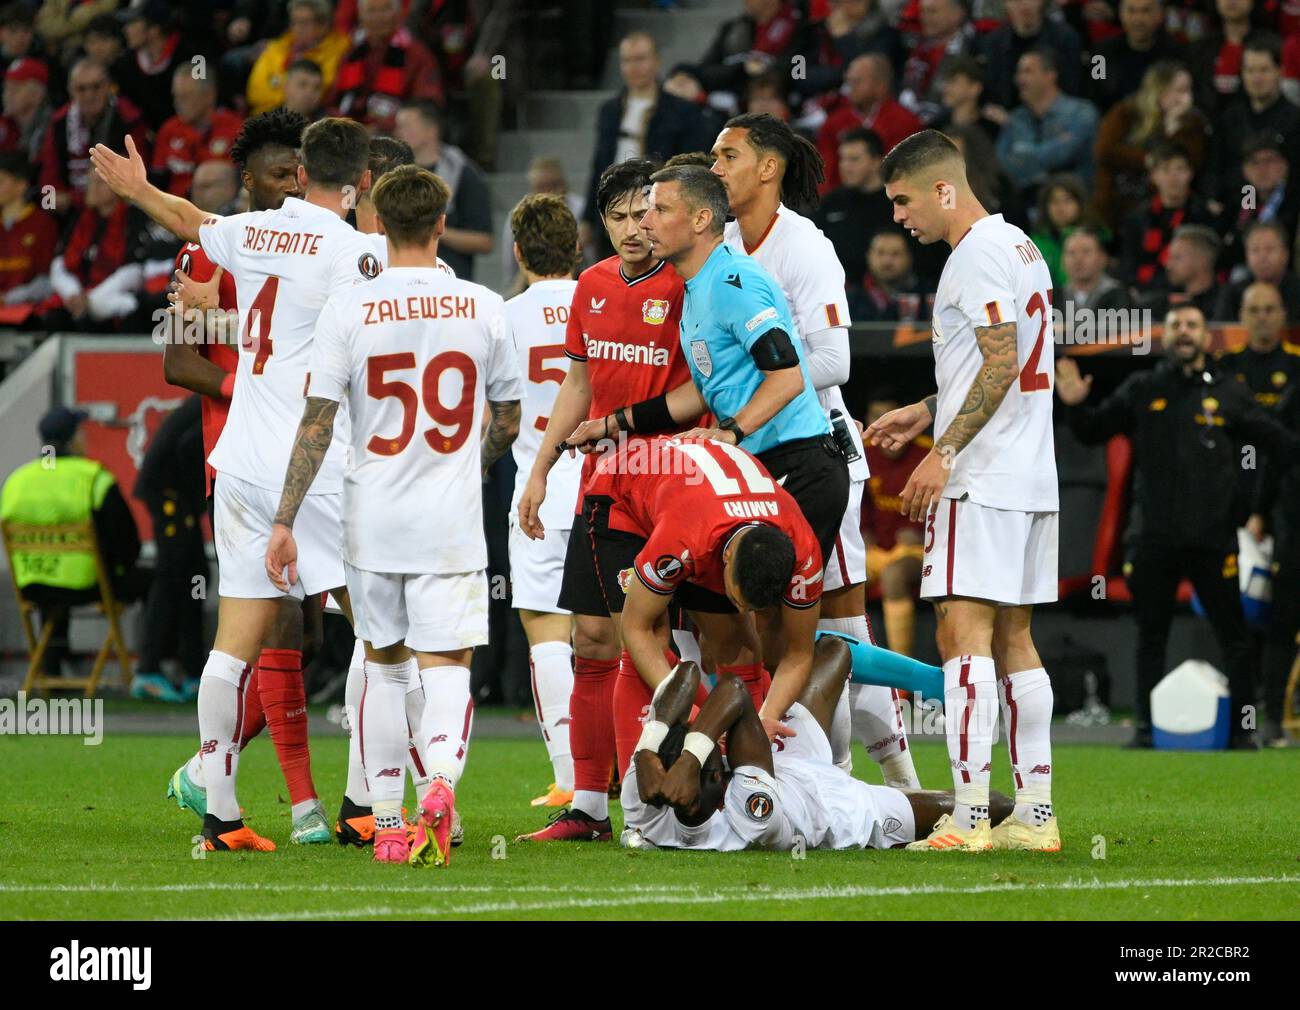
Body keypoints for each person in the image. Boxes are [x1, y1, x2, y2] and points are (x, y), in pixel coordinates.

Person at [91, 117, 383, 853]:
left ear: (299, 170)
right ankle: (364, 804)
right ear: (361, 184)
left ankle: (221, 817)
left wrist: (136, 188)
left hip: (239, 464)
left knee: (231, 647)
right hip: (310, 469)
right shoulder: (358, 252)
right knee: (384, 636)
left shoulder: (252, 231)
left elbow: (187, 218)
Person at [266, 164, 522, 866]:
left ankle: (384, 823)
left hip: (371, 515)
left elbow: (317, 421)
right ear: (442, 225)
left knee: (383, 668)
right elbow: (508, 415)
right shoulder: (483, 305)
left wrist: (285, 518)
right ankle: (438, 786)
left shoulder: (349, 309)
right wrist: (469, 466)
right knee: (446, 671)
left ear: (376, 223)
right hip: (449, 518)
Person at [867, 129, 1061, 852]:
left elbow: (1001, 361)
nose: (898, 217)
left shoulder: (973, 254)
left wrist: (941, 450)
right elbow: (996, 360)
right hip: (1030, 471)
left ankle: (971, 816)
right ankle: (1036, 818)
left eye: (903, 200)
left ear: (944, 190)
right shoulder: (1020, 247)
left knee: (962, 634)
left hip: (983, 476)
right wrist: (927, 408)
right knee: (1016, 640)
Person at [710, 112, 918, 784]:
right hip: (746, 463)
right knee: (765, 624)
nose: (714, 168)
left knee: (840, 625)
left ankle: (896, 779)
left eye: (728, 156)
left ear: (767, 169)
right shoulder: (722, 249)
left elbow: (835, 359)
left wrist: (751, 389)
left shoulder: (804, 248)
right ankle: (808, 771)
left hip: (815, 455)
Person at [158, 110, 334, 847]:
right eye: (272, 172)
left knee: (310, 633)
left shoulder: (314, 250)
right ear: (247, 182)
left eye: (296, 168)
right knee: (277, 624)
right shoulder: (213, 251)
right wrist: (253, 392)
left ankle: (206, 770)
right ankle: (306, 808)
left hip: (310, 464)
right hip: (242, 459)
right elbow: (177, 361)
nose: (287, 181)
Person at [515, 159, 695, 843]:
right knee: (589, 639)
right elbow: (578, 385)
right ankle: (588, 804)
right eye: (616, 217)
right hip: (599, 486)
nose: (632, 230)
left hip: (669, 486)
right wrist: (540, 470)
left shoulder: (686, 285)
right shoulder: (590, 286)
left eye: (642, 215)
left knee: (643, 642)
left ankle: (653, 800)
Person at [1055, 303, 1300, 750]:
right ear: (1165, 337)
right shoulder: (1144, 388)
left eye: (1192, 325)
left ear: (1207, 337)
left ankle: (1244, 729)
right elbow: (1093, 430)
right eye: (1175, 326)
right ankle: (1147, 729)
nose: (1183, 332)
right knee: (1151, 637)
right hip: (1154, 539)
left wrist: (1249, 506)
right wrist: (1074, 406)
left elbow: (1279, 445)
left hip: (1214, 539)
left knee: (1235, 639)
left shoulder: (1230, 392)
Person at [578, 436, 827, 768]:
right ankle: (638, 815)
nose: (743, 612)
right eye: (738, 599)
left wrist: (767, 717)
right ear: (724, 564)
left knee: (738, 642)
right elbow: (636, 630)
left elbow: (798, 653)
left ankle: (740, 783)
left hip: (701, 497)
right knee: (647, 642)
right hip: (623, 494)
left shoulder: (805, 552)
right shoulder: (683, 542)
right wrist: (688, 710)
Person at [620, 651, 1011, 852]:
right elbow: (734, 691)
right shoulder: (750, 813)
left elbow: (686, 672)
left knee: (833, 650)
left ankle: (929, 690)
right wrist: (692, 760)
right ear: (715, 779)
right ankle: (909, 786)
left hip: (783, 760)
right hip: (833, 805)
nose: (721, 761)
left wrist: (645, 752)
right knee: (984, 808)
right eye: (713, 766)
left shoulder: (644, 794)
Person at [504, 193, 584, 808]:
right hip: (610, 490)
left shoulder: (503, 318)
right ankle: (629, 765)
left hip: (538, 492)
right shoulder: (605, 304)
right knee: (624, 635)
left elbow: (501, 419)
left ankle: (571, 777)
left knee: (547, 634)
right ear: (577, 246)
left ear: (517, 252)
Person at [0, 406, 147, 684]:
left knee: (55, 581)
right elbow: (128, 544)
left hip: (33, 585)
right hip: (88, 586)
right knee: (158, 579)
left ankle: (51, 666)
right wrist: (117, 566)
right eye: (81, 432)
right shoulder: (92, 478)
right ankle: (153, 669)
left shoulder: (16, 481)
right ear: (72, 439)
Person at [582, 31, 710, 251]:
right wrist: (587, 218)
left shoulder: (682, 111)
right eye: (627, 60)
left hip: (659, 210)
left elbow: (689, 167)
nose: (634, 67)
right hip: (613, 210)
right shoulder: (609, 111)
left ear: (656, 61)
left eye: (640, 59)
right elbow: (599, 163)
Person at [131, 395, 207, 702]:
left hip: (173, 494)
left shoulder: (212, 391)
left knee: (194, 577)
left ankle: (192, 671)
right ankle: (148, 669)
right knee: (171, 579)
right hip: (170, 495)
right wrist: (197, 498)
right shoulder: (229, 393)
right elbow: (189, 446)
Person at [1092, 60, 1209, 230]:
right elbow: (1105, 151)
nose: (1186, 98)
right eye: (1179, 90)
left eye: (1188, 90)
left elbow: (1190, 163)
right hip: (1117, 200)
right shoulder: (1127, 112)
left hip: (1162, 207)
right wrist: (1148, 160)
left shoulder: (1193, 124)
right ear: (1160, 90)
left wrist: (1172, 129)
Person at [861, 394, 929, 657]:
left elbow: (949, 506)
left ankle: (902, 672)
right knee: (846, 578)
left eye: (893, 420)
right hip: (877, 550)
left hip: (917, 551)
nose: (887, 428)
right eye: (878, 419)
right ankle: (854, 665)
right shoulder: (863, 454)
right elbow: (857, 504)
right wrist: (864, 534)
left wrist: (922, 534)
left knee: (894, 576)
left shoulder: (927, 452)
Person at [393, 99, 492, 279]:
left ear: (431, 131)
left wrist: (429, 228)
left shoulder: (463, 174)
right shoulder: (392, 174)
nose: (398, 133)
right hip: (402, 281)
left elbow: (484, 241)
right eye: (398, 126)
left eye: (406, 126)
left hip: (451, 283)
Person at [40, 58, 150, 216]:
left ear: (109, 87)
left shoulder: (128, 119)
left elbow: (138, 178)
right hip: (70, 213)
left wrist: (74, 198)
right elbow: (48, 175)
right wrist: (51, 202)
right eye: (81, 89)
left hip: (116, 210)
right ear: (70, 91)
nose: (89, 95)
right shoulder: (59, 122)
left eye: (96, 87)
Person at [41, 172, 149, 331]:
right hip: (77, 297)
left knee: (130, 309)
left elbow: (134, 271)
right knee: (55, 317)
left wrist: (90, 301)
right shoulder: (79, 217)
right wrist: (74, 295)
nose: (91, 188)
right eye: (89, 182)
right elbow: (59, 265)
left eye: (99, 182)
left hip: (111, 297)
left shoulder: (135, 218)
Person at [996, 48, 1098, 201]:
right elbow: (1002, 163)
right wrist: (1055, 146)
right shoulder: (1016, 118)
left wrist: (1023, 155)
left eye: (1027, 71)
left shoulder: (1082, 112)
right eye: (1019, 73)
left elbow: (1063, 154)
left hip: (1077, 204)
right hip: (1025, 205)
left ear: (1050, 75)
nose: (1019, 79)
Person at [1116, 144, 1218, 289]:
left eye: (1180, 169)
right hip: (1142, 291)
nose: (1173, 177)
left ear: (1191, 174)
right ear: (1154, 176)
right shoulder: (1136, 218)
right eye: (1165, 170)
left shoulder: (1204, 216)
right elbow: (1128, 264)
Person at [815, 53, 923, 191]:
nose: (849, 89)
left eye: (857, 82)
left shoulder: (905, 122)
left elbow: (906, 173)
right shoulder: (832, 124)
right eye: (848, 82)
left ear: (880, 85)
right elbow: (825, 175)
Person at [331, 0, 442, 133]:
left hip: (399, 135)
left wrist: (382, 127)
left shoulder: (418, 56)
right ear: (360, 16)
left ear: (399, 14)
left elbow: (427, 105)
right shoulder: (350, 54)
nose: (379, 17)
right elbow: (335, 101)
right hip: (351, 134)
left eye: (385, 9)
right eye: (371, 11)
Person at [812, 127, 891, 288]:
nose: (846, 166)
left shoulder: (895, 204)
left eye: (854, 159)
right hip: (837, 291)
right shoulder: (830, 203)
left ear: (876, 162)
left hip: (887, 295)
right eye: (843, 159)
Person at [245, 0, 349, 117]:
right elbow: (255, 93)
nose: (297, 28)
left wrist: (281, 88)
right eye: (294, 22)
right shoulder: (276, 47)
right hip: (266, 116)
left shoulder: (338, 50)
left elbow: (324, 89)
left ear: (323, 25)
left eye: (304, 23)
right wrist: (291, 95)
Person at [151, 67, 243, 198]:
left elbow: (234, 183)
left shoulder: (235, 130)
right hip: (172, 208)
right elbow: (157, 179)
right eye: (176, 96)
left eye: (186, 97)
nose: (178, 103)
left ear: (209, 95)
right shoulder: (169, 129)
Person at [977, 0, 1084, 111]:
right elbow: (994, 92)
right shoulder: (994, 42)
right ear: (1005, 4)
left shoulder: (1065, 38)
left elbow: (1071, 87)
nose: (1024, 3)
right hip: (1006, 116)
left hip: (1056, 114)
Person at [500, 156, 585, 295]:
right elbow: (510, 276)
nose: (549, 193)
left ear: (565, 185)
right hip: (529, 283)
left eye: (554, 185)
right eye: (541, 187)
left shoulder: (582, 212)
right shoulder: (518, 218)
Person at [1089, 0, 1185, 112]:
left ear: (1159, 15)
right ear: (1121, 14)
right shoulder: (1101, 54)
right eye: (1131, 11)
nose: (1138, 19)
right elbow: (1094, 94)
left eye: (1146, 11)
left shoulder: (1175, 55)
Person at [0, 151, 57, 314]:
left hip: (28, 313)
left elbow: (47, 280)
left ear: (21, 185)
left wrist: (8, 298)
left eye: (1, 181)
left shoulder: (43, 224)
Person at [1132, 223, 1221, 320]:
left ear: (1202, 260)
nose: (1168, 265)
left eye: (1177, 258)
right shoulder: (1161, 302)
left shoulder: (1224, 303)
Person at [1215, 220, 1300, 321]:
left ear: (1285, 254)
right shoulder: (1232, 294)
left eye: (1270, 249)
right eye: (1255, 250)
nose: (1262, 257)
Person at [850, 228, 927, 322]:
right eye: (880, 253)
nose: (887, 261)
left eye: (896, 254)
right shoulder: (849, 299)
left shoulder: (928, 300)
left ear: (909, 258)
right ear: (868, 256)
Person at [1058, 226, 1130, 322]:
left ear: (1103, 258)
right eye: (1071, 253)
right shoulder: (1053, 298)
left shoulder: (1119, 295)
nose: (1078, 259)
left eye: (1086, 252)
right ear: (1062, 261)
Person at [0, 56, 51, 164]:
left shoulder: (51, 129)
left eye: (15, 89)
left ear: (37, 95)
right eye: (6, 87)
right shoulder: (5, 125)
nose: (7, 95)